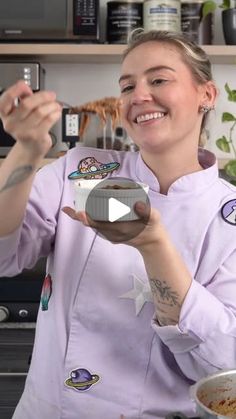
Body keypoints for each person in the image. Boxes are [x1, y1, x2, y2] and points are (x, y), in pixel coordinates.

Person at [0, 29, 236, 419]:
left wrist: (154, 245)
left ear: (206, 96)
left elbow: (222, 368)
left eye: (158, 79)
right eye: (127, 86)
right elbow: (4, 255)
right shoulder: (82, 171)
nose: (138, 96)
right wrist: (26, 150)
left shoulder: (227, 215)